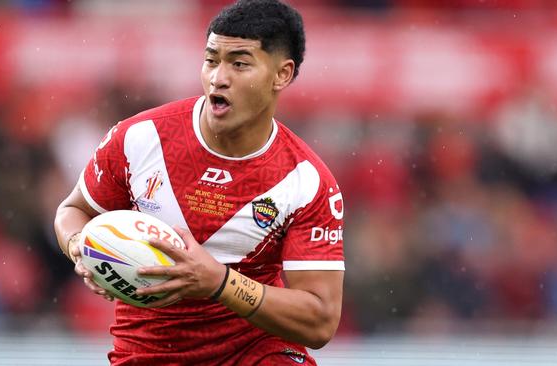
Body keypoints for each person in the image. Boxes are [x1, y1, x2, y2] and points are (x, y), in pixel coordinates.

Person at [54, 1, 345, 364]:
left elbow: (320, 321)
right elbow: (73, 210)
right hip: (148, 354)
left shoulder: (306, 181)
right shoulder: (140, 138)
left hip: (254, 353)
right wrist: (81, 246)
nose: (218, 77)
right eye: (211, 59)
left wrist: (220, 283)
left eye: (239, 63)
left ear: (281, 74)